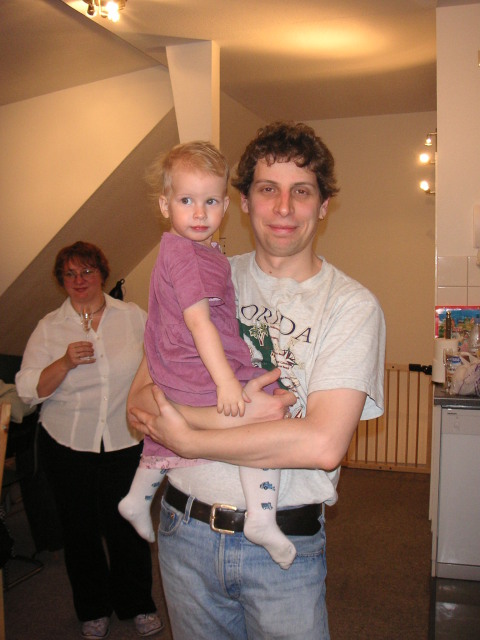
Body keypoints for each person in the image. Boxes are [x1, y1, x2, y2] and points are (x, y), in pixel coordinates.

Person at [128, 121, 386, 640]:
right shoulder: (201, 270)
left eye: (301, 192)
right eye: (268, 189)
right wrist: (216, 421)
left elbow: (321, 445)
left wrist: (188, 436)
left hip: (284, 549)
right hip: (184, 532)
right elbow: (141, 403)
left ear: (323, 205)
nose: (283, 208)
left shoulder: (351, 307)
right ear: (243, 202)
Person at [118, 141, 296, 570]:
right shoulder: (185, 256)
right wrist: (227, 384)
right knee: (261, 417)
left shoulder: (198, 251)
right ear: (165, 205)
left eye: (210, 201)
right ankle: (261, 516)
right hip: (193, 363)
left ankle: (138, 497)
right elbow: (200, 324)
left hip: (178, 363)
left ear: (225, 207)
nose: (199, 213)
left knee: (176, 421)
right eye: (186, 201)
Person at [15, 241, 163, 640]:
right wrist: (63, 363)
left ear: (102, 274)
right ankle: (93, 609)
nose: (79, 280)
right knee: (79, 532)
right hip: (67, 444)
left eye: (87, 271)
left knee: (127, 526)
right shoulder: (50, 327)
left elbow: (160, 361)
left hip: (124, 441)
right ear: (61, 281)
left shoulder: (132, 317)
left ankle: (137, 604)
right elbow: (28, 390)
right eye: (70, 274)